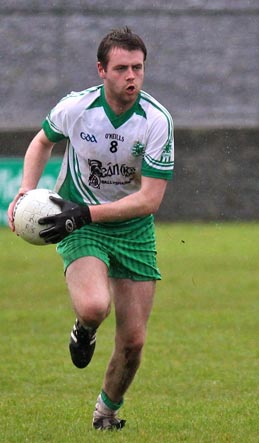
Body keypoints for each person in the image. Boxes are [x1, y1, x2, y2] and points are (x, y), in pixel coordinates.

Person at [8, 27, 174, 429]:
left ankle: (107, 412)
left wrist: (86, 212)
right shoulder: (77, 107)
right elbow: (41, 142)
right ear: (101, 70)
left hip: (131, 228)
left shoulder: (156, 121)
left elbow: (150, 200)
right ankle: (84, 329)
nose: (131, 76)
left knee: (133, 342)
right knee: (94, 306)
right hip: (78, 224)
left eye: (138, 68)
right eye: (121, 68)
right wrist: (27, 192)